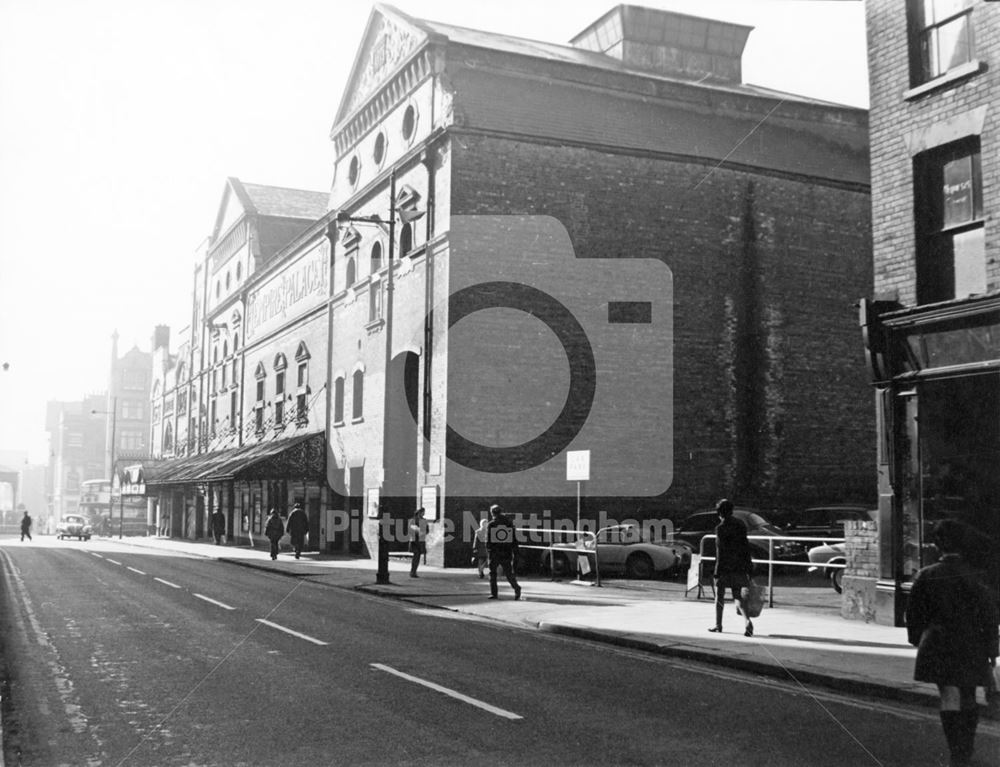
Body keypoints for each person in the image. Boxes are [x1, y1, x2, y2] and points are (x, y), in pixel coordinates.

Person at [906, 519, 998, 767]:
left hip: (938, 644)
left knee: (948, 695)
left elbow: (914, 615)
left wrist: (917, 639)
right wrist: (992, 652)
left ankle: (956, 752)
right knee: (968, 696)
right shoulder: (976, 577)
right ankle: (965, 750)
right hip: (971, 645)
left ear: (938, 545)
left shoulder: (927, 575)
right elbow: (990, 616)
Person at [708, 498, 754, 637]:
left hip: (725, 567)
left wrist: (717, 570)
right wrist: (749, 565)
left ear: (720, 513)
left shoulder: (721, 528)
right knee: (738, 596)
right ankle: (747, 621)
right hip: (740, 565)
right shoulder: (740, 524)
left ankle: (718, 624)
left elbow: (720, 551)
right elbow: (746, 546)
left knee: (719, 596)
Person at [486, 504, 521, 600]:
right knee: (508, 573)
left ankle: (494, 594)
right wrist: (515, 551)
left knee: (492, 574)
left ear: (492, 513)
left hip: (494, 553)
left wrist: (488, 551)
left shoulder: (491, 524)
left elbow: (488, 540)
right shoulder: (508, 523)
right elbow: (514, 539)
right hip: (506, 552)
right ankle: (516, 588)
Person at [408, 507, 428, 577]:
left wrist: (423, 532)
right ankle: (412, 572)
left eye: (424, 512)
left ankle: (414, 571)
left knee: (418, 556)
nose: (424, 514)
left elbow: (427, 530)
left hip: (421, 541)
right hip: (415, 541)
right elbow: (410, 529)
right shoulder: (413, 520)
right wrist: (417, 530)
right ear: (419, 513)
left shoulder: (424, 520)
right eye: (423, 512)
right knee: (416, 556)